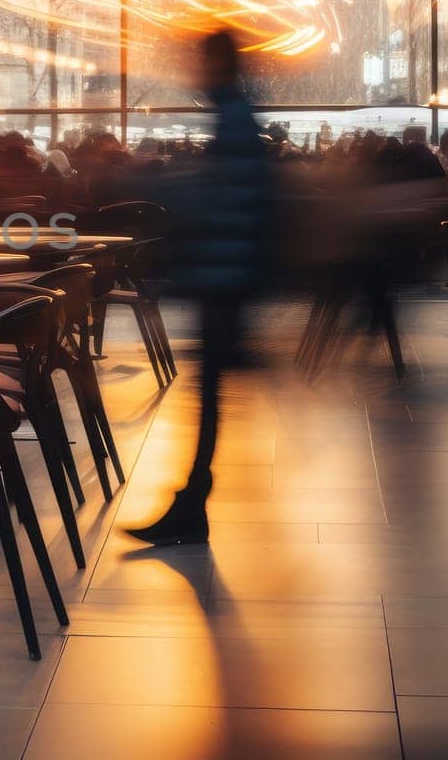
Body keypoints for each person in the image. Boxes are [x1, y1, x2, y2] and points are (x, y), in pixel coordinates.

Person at [126, 28, 272, 546]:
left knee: (207, 390)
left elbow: (225, 203)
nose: (193, 71)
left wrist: (165, 188)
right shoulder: (238, 118)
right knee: (207, 391)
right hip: (228, 274)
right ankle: (192, 499)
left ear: (217, 66)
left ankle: (192, 502)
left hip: (221, 274)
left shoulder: (233, 122)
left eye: (200, 61)